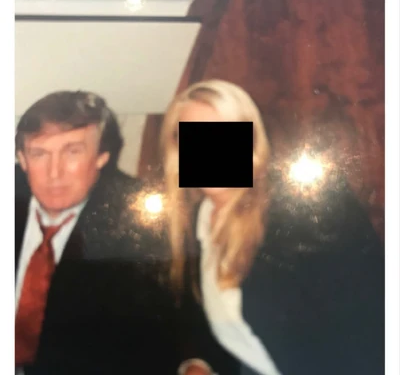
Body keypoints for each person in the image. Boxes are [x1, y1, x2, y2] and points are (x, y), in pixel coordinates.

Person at [160, 79, 385, 375]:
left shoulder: (308, 211)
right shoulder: (195, 224)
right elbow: (213, 324)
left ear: (251, 140)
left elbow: (371, 333)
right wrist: (198, 363)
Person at [15, 91, 180, 375]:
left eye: (73, 152)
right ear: (22, 158)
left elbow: (146, 345)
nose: (55, 173)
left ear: (102, 156)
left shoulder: (137, 224)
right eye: (40, 153)